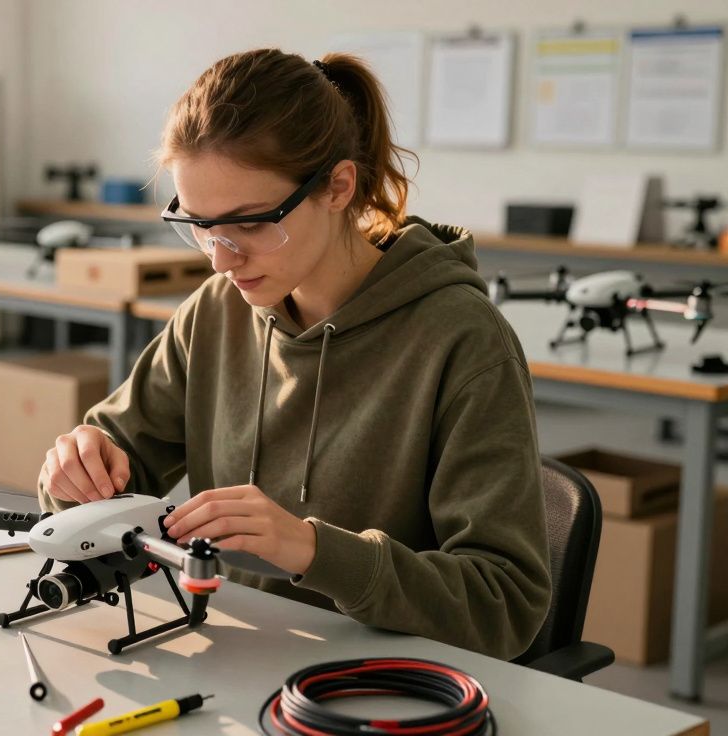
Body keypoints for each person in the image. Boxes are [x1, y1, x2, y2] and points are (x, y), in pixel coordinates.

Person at [36, 49, 550, 660]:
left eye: (251, 224)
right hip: (232, 656)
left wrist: (312, 550)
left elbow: (504, 605)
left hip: (379, 680)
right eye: (199, 225)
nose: (221, 259)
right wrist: (76, 471)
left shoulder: (463, 340)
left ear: (338, 187)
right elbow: (110, 470)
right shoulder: (216, 310)